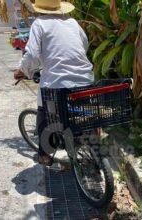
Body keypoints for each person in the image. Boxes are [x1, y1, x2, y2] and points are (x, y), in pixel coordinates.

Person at [14, 0, 94, 165]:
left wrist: (22, 71)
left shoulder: (40, 24)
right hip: (85, 79)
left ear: (39, 10)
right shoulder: (72, 22)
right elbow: (84, 44)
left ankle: (45, 155)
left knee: (44, 111)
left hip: (57, 84)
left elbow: (32, 55)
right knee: (78, 110)